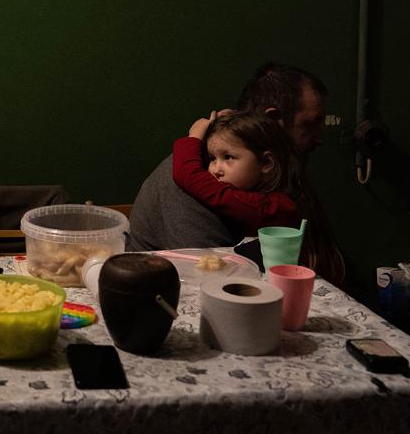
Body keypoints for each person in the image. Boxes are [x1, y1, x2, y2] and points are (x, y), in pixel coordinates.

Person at [127, 62, 344, 284]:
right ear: (273, 120)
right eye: (309, 125)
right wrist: (192, 140)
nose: (319, 138)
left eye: (227, 157)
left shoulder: (280, 178)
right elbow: (213, 278)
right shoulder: (203, 174)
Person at [173, 111, 301, 237]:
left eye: (228, 157)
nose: (216, 170)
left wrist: (195, 136)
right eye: (212, 158)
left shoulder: (269, 208)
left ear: (266, 163)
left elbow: (187, 173)